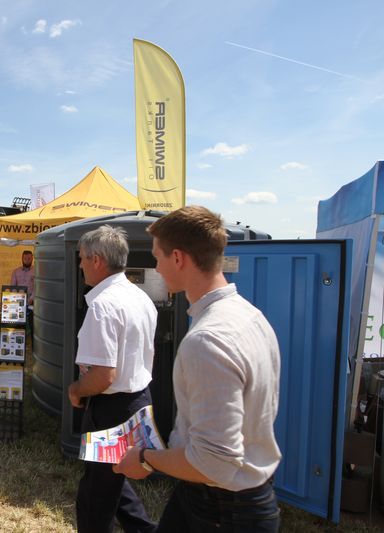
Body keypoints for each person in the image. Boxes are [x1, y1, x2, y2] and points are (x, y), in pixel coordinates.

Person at [115, 206, 281, 532]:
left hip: (221, 511)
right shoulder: (250, 316)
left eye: (157, 257)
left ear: (178, 258)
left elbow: (213, 462)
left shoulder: (208, 340)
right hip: (221, 500)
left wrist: (145, 458)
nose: (157, 267)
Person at [67, 225, 157, 533]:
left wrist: (76, 390)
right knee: (110, 478)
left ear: (96, 260)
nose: (79, 266)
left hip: (111, 410)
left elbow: (104, 376)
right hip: (137, 401)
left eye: (81, 259)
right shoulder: (139, 296)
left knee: (94, 499)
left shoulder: (103, 305)